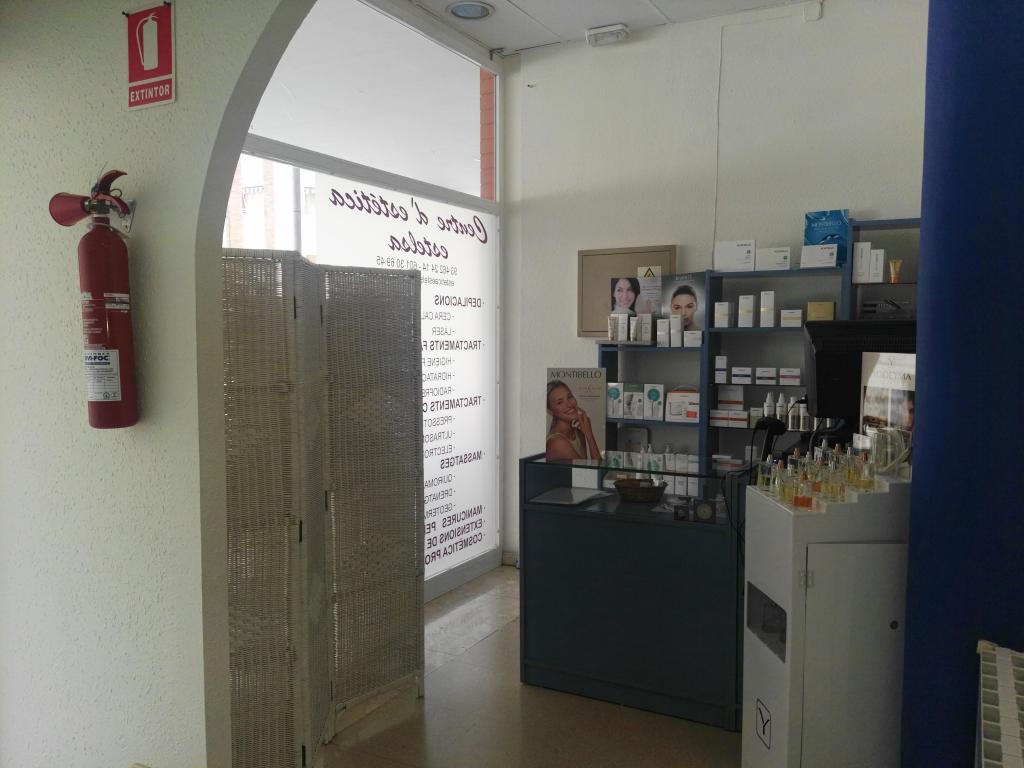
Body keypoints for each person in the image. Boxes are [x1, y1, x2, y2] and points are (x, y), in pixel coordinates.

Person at [546, 380, 601, 461]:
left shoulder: (578, 433)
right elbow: (595, 468)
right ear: (550, 411)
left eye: (569, 397)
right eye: (560, 402)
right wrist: (589, 435)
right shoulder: (557, 443)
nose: (569, 404)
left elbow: (593, 466)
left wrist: (588, 433)